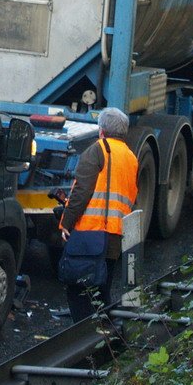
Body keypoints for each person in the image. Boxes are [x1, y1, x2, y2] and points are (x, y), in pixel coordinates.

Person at [58, 107, 139, 323]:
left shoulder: (98, 150)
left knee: (78, 287)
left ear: (101, 130)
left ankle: (83, 336)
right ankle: (105, 331)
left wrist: (66, 222)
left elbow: (81, 191)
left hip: (91, 231)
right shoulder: (131, 157)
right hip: (115, 233)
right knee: (102, 285)